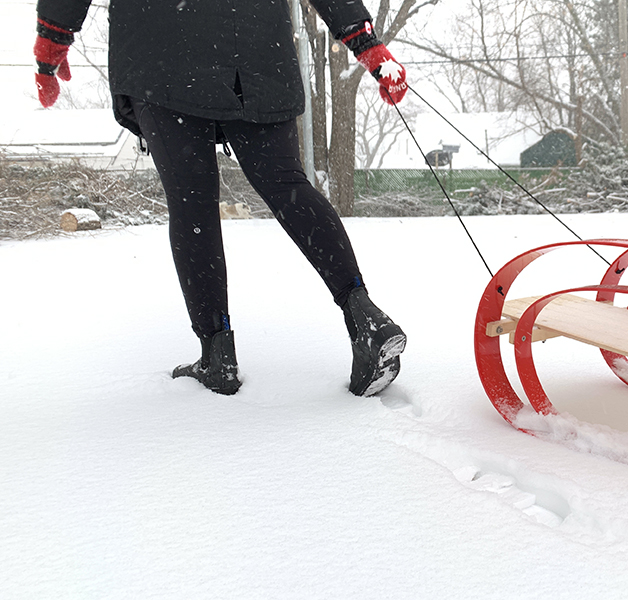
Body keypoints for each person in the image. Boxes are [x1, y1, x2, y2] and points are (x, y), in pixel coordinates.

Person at [33, 0, 408, 397]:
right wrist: (368, 46)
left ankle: (217, 354)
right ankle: (363, 315)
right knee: (288, 184)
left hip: (164, 52)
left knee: (191, 199)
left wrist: (51, 45)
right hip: (258, 50)